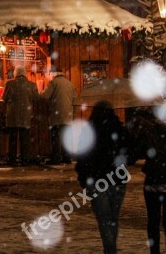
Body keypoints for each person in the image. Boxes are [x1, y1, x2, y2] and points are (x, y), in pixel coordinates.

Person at [76, 101, 131, 254]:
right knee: (113, 217)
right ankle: (111, 247)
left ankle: (109, 249)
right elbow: (129, 153)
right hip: (117, 178)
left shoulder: (89, 131)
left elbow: (82, 157)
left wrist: (83, 178)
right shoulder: (119, 129)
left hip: (96, 179)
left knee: (104, 218)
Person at [130, 108, 166, 254]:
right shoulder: (163, 130)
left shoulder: (145, 134)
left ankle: (155, 251)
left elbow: (134, 156)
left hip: (152, 181)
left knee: (153, 222)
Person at [3, 66, 39, 165]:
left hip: (12, 114)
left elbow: (4, 98)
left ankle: (12, 160)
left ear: (16, 74)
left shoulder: (9, 83)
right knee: (25, 138)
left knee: (13, 138)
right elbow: (36, 98)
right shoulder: (32, 85)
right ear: (25, 73)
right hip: (25, 114)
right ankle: (25, 160)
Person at [41, 70, 77, 165]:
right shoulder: (70, 84)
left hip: (57, 115)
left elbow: (45, 96)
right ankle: (67, 157)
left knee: (56, 136)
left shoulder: (53, 83)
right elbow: (75, 100)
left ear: (54, 74)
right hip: (68, 115)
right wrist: (73, 116)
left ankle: (56, 158)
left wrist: (41, 91)